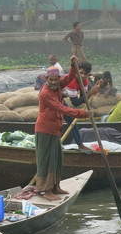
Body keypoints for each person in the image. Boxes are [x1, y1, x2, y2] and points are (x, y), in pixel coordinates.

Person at [24, 68, 91, 198]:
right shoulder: (45, 93)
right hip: (45, 130)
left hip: (55, 129)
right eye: (51, 79)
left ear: (58, 79)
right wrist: (83, 114)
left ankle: (55, 186)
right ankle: (45, 190)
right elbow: (63, 109)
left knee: (57, 159)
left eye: (56, 79)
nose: (54, 82)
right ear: (46, 79)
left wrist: (72, 65)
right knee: (46, 160)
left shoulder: (59, 85)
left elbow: (70, 76)